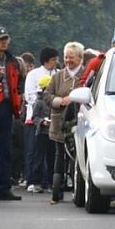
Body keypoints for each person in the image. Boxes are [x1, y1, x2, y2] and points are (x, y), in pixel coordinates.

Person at [44, 41, 85, 203]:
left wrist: (74, 98)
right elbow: (47, 96)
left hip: (79, 123)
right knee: (59, 156)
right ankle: (57, 190)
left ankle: (78, 188)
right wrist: (59, 100)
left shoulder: (86, 75)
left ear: (80, 58)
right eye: (66, 57)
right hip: (60, 123)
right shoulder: (57, 77)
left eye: (72, 57)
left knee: (77, 156)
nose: (68, 60)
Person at [0, 26, 23, 201]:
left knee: (4, 148)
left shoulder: (12, 61)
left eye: (6, 39)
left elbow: (18, 83)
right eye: (0, 39)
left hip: (7, 106)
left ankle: (3, 188)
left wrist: (18, 102)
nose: (4, 42)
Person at [24, 47, 59, 193]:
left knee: (52, 153)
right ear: (46, 60)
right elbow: (30, 95)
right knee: (34, 152)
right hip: (35, 119)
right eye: (53, 60)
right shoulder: (33, 74)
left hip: (54, 119)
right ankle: (31, 180)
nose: (56, 62)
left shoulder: (58, 74)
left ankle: (49, 181)